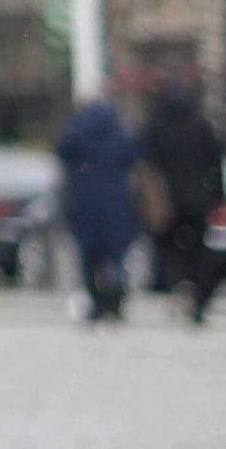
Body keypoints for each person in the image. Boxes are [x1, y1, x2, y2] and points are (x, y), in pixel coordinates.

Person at [55, 74, 143, 325]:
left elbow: (63, 151)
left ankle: (95, 303)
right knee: (115, 257)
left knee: (89, 259)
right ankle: (114, 303)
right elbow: (131, 156)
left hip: (84, 203)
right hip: (115, 203)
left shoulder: (76, 130)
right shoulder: (116, 129)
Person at [140, 77, 226, 324]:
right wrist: (217, 196)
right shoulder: (200, 126)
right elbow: (216, 164)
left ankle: (179, 288)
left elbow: (148, 166)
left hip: (166, 203)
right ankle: (197, 296)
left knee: (169, 251)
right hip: (197, 201)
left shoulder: (155, 127)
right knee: (198, 251)